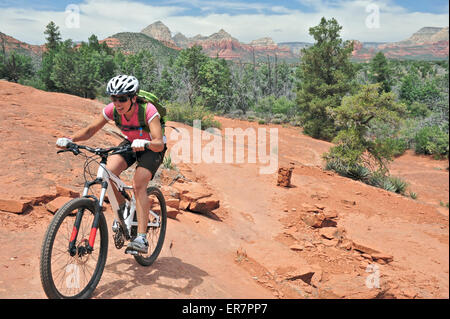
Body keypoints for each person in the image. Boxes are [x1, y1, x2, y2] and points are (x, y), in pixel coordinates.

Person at [56, 75, 166, 254]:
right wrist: (70, 139)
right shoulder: (111, 110)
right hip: (131, 143)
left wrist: (145, 144)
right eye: (114, 98)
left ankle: (142, 238)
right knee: (107, 172)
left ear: (133, 98)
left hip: (151, 147)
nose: (117, 103)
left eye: (122, 98)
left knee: (139, 184)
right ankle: (123, 212)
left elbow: (158, 142)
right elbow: (90, 130)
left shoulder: (148, 110)